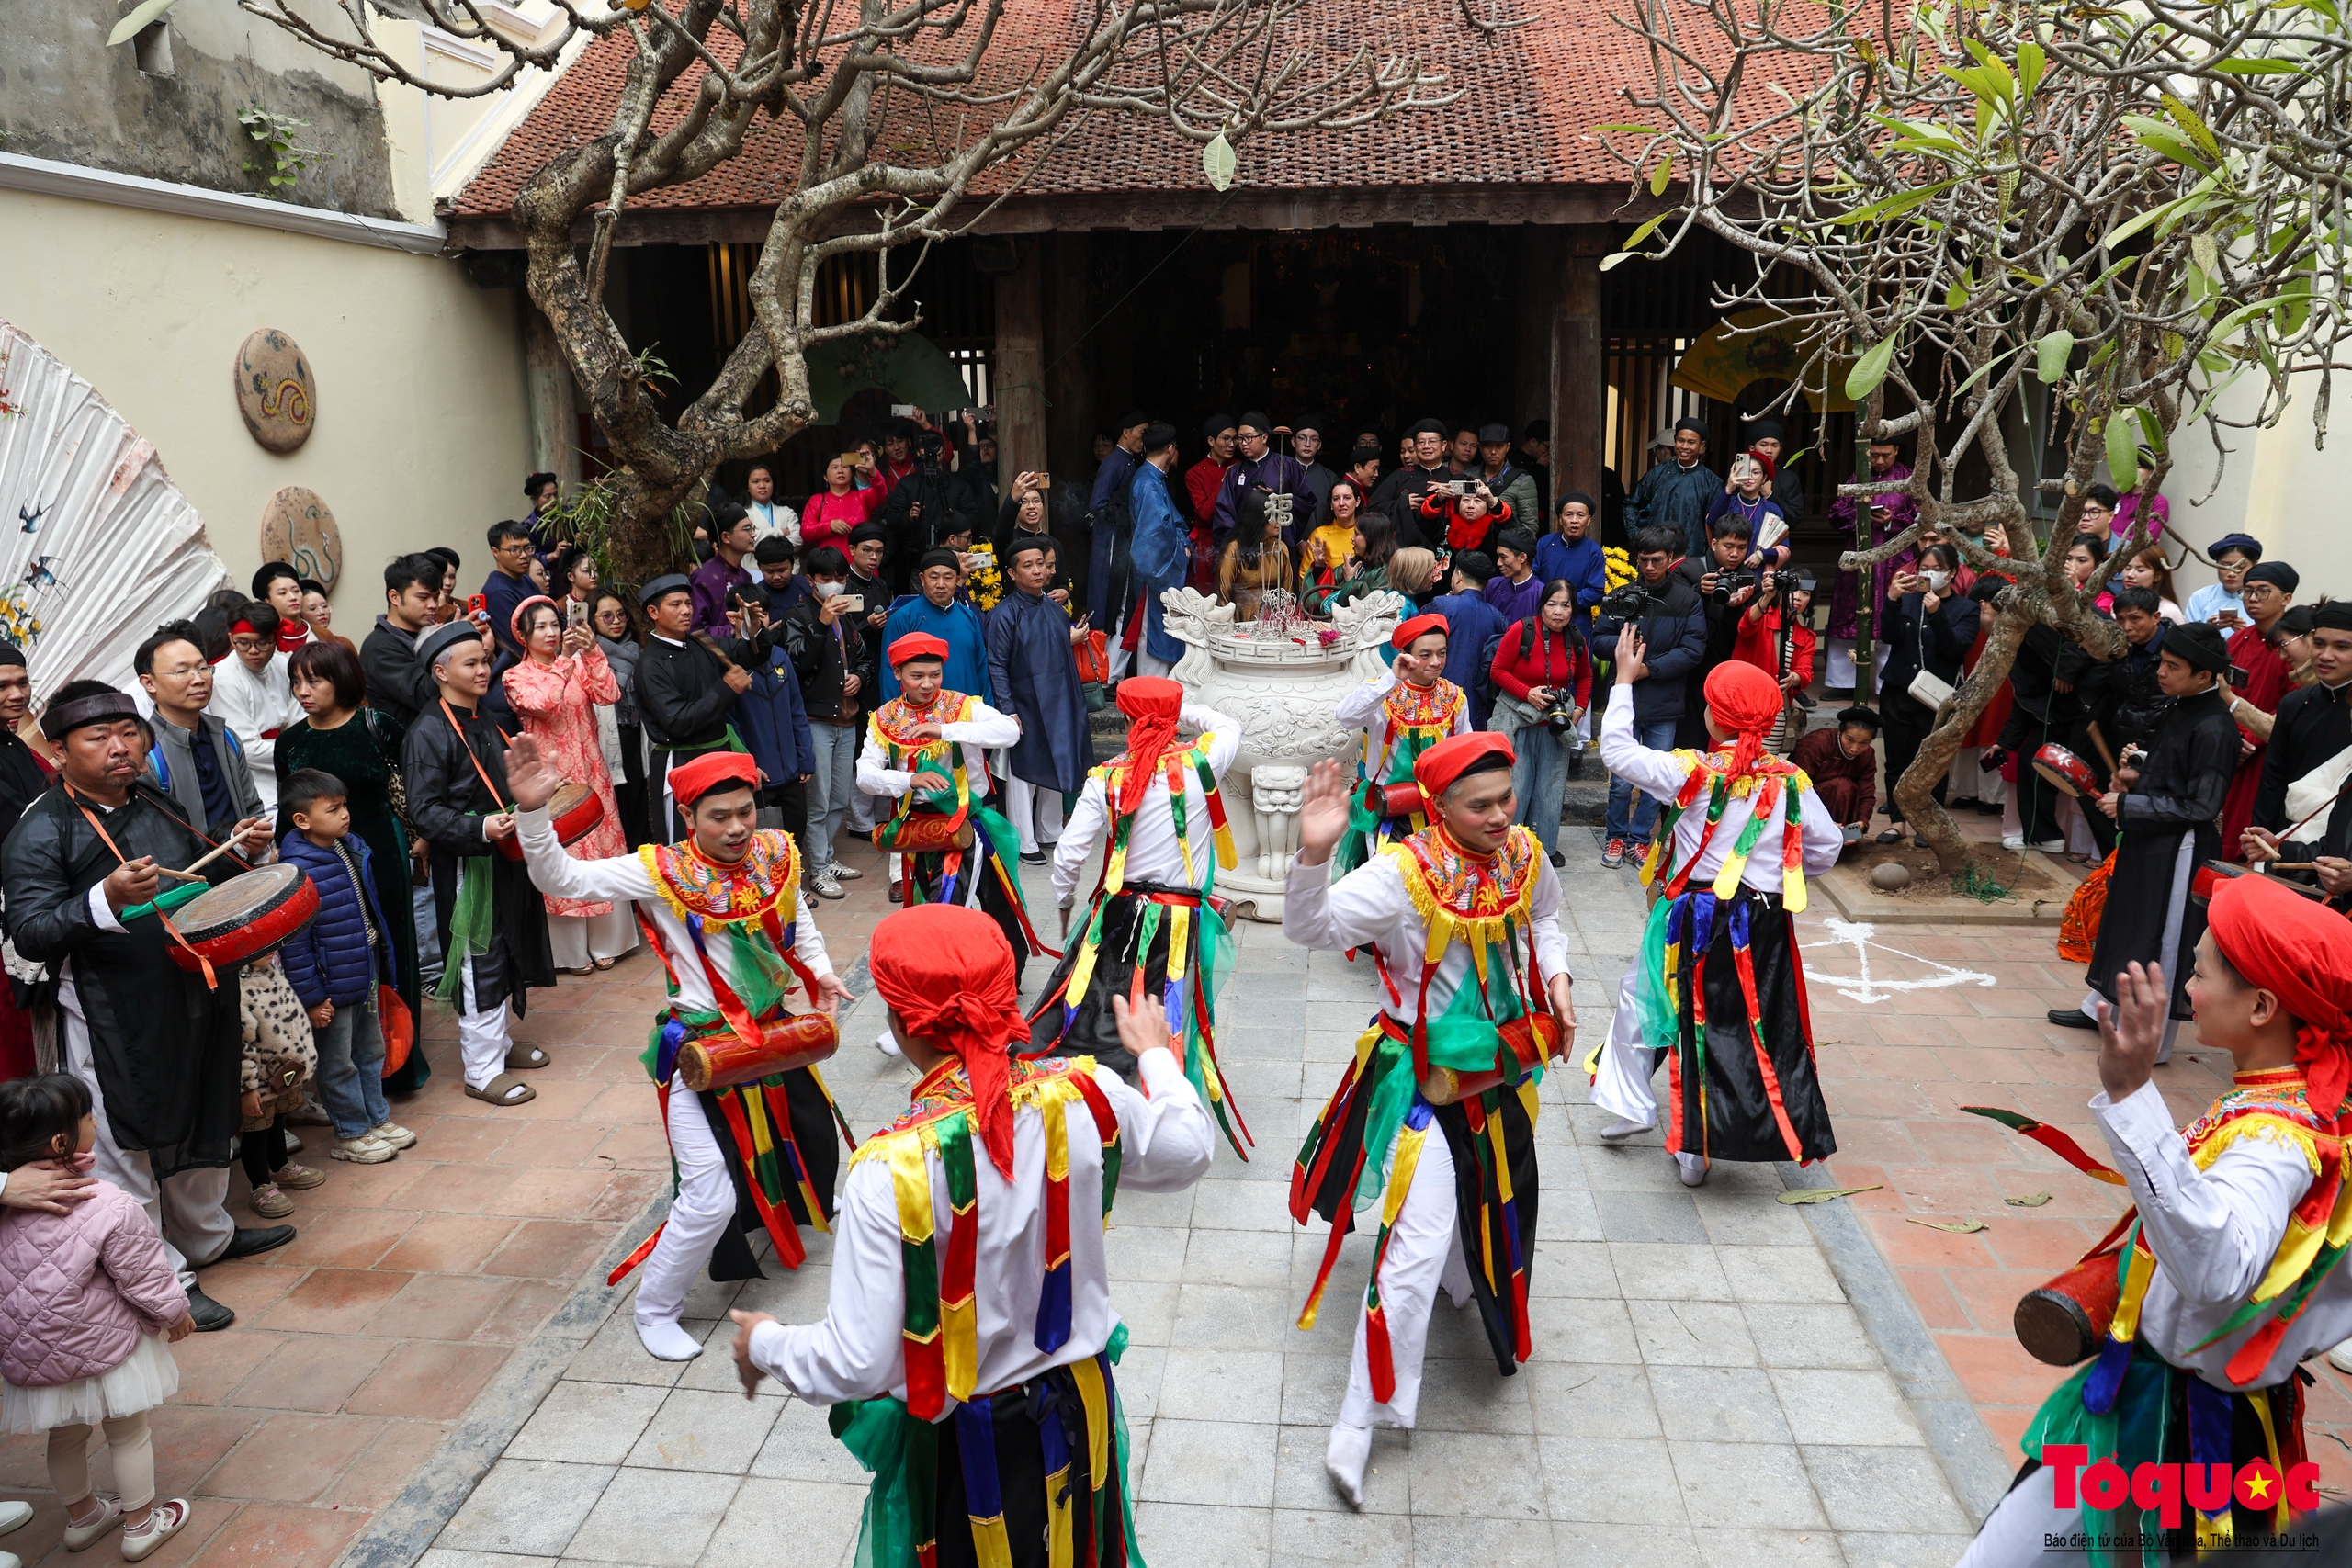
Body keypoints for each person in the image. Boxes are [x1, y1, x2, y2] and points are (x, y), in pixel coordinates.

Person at [726, 901, 1211, 1565]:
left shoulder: (887, 1170)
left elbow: (858, 1360)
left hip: (970, 1445)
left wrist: (766, 1342)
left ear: (899, 1022)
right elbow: (1187, 1150)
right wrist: (1156, 1058)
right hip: (1079, 1407)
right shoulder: (1087, 1093)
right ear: (1005, 997)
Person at [1955, 875, 2352, 1566]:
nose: (2187, 988)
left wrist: (2132, 1092)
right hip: (2165, 1400)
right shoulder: (2297, 1108)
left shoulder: (2281, 1143)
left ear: (2262, 1005)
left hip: (2187, 1426)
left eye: (2200, 971)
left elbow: (2213, 1268)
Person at [1284, 732, 1575, 1506]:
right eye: (1481, 805)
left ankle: (1463, 1280)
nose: (1502, 816)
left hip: (1503, 1069)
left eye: (1508, 798)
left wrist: (1559, 979)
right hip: (1422, 1082)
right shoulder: (1400, 875)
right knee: (1410, 1249)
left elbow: (1547, 916)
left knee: (1493, 1201)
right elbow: (1309, 931)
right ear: (1439, 805)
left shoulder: (1522, 854)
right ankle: (1358, 1418)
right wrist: (1313, 855)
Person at [507, 745, 854, 1364]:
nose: (738, 828)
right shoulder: (662, 870)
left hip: (769, 1039)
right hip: (702, 1050)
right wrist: (534, 814)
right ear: (690, 816)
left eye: (745, 811)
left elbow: (798, 913)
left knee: (806, 1137)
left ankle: (783, 1224)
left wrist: (822, 972)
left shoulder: (775, 853)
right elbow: (563, 879)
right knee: (710, 1193)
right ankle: (655, 1307)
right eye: (719, 817)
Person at [2, 682, 282, 1333]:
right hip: (111, 1008)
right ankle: (166, 1277)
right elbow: (31, 931)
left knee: (201, 1103)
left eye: (129, 732)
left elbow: (194, 874)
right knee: (126, 1135)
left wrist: (236, 847)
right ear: (58, 751)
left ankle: (207, 1235)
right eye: (98, 737)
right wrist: (102, 894)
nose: (120, 747)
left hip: (189, 984)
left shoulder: (152, 796)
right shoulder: (43, 827)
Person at [1591, 657, 1843, 1186]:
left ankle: (1657, 1122)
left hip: (1696, 916)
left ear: (1715, 718)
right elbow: (1825, 847)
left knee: (1654, 1002)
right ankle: (1690, 1139)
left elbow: (1615, 750)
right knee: (1739, 1024)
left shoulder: (1694, 771)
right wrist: (1776, 871)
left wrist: (1622, 681)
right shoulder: (1792, 780)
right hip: (1765, 923)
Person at [0, 1075, 197, 1562]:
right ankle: (141, 1526)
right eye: (88, 1116)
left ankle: (83, 1519)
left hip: (34, 1350)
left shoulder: (3, 1209)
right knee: (128, 1432)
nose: (95, 1121)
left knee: (64, 1435)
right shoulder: (108, 1204)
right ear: (63, 1141)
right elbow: (144, 1276)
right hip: (105, 1346)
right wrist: (176, 1313)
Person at [1031, 676, 1244, 1115]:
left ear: (1127, 719)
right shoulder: (1205, 759)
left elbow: (1069, 854)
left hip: (1118, 914)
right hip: (1180, 918)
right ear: (1173, 718)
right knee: (1167, 1007)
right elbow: (1227, 724)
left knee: (1098, 1004)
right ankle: (1160, 1101)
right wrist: (1176, 712)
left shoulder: (1107, 778)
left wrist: (1065, 898)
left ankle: (1086, 1096)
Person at [2042, 621, 2239, 1053]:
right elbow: (2173, 771)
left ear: (2205, 676)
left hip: (2178, 850)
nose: (2161, 672)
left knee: (2162, 938)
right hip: (2148, 839)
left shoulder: (2215, 727)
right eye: (2162, 663)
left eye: (2172, 666)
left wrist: (2129, 806)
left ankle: (2151, 1041)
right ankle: (2106, 1009)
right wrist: (2136, 773)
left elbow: (2201, 807)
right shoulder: (2180, 705)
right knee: (2128, 926)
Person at [401, 622, 556, 1109]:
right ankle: (481, 1070)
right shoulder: (428, 731)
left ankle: (500, 1046)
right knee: (479, 962)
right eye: (471, 663)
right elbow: (423, 810)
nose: (484, 669)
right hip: (470, 864)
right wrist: (480, 830)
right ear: (440, 671)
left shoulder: (480, 714)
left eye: (485, 660)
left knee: (507, 948)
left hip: (502, 853)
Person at [277, 640, 426, 1096]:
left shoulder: (377, 724)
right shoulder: (291, 741)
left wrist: (420, 835)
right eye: (296, 682)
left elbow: (410, 783)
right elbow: (290, 812)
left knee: (392, 947)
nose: (303, 690)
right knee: (336, 953)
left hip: (380, 848)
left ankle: (399, 1062)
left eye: (314, 680)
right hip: (320, 864)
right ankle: (345, 1071)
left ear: (341, 680)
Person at [272, 768, 411, 1167]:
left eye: (344, 805)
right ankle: (351, 1133)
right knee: (338, 1061)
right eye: (333, 809)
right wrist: (313, 999)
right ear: (302, 820)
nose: (345, 814)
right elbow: (296, 945)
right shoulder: (299, 869)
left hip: (362, 968)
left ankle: (376, 1119)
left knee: (370, 1048)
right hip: (332, 984)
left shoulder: (346, 846)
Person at [857, 631, 1031, 942]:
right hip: (921, 829)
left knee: (997, 906)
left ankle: (1005, 974)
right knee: (937, 907)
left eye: (935, 675)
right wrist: (909, 780)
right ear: (897, 674)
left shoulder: (960, 706)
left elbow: (1010, 731)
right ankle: (951, 973)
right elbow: (865, 776)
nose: (927, 684)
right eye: (917, 676)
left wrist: (945, 730)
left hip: (968, 823)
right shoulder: (886, 718)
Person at [503, 597, 635, 974]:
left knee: (601, 853)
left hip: (593, 772)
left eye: (554, 625)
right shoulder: (516, 677)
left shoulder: (574, 664)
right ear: (524, 636)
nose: (551, 633)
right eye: (541, 627)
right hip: (553, 781)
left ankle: (608, 942)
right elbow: (543, 704)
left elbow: (609, 694)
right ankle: (572, 953)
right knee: (567, 857)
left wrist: (591, 652)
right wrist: (564, 663)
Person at [1592, 527, 1710, 868]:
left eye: (1656, 560)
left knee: (1655, 777)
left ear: (1671, 559)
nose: (1649, 567)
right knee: (1620, 776)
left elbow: (1692, 649)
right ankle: (1615, 836)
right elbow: (1599, 638)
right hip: (1625, 698)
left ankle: (1640, 839)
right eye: (1643, 560)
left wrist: (1648, 669)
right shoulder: (1622, 593)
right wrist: (1622, 649)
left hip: (1664, 698)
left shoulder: (1687, 599)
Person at [1328, 614, 1472, 875]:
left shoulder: (1454, 696)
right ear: (1405, 655)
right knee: (1391, 883)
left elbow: (1464, 751)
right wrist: (1392, 678)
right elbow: (1345, 715)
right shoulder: (1384, 695)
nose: (1436, 662)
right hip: (1390, 809)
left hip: (1440, 811)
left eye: (1442, 653)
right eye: (1425, 655)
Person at [633, 574, 773, 836]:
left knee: (724, 836)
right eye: (675, 605)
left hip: (720, 755)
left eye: (688, 603)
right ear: (653, 612)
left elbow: (752, 655)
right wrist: (726, 688)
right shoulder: (650, 665)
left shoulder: (700, 642)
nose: (686, 610)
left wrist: (754, 628)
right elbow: (677, 722)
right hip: (683, 762)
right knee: (687, 843)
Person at [987, 538, 1095, 863]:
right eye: (1028, 565)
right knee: (1024, 772)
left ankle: (1050, 831)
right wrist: (1008, 710)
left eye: (1041, 564)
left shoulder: (1054, 608)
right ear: (1011, 572)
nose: (1037, 571)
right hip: (1025, 703)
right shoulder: (1004, 615)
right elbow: (997, 665)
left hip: (1061, 698)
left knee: (1058, 765)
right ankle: (1024, 840)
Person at [783, 547, 877, 899]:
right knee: (818, 801)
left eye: (840, 579)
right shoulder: (798, 615)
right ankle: (818, 870)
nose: (835, 585)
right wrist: (821, 624)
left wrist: (860, 678)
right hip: (816, 720)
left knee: (839, 798)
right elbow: (798, 663)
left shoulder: (849, 617)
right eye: (826, 579)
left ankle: (828, 858)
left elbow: (865, 659)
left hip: (847, 718)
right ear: (811, 581)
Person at [1876, 544, 1979, 844]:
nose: (1929, 574)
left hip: (1936, 698)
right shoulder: (1909, 601)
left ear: (1951, 573)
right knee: (1897, 759)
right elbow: (1889, 636)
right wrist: (1893, 600)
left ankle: (1928, 824)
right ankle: (1897, 822)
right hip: (1898, 690)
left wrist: (1937, 614)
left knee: (1932, 762)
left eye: (1936, 569)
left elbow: (1956, 648)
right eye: (1924, 567)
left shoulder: (1966, 609)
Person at [1487, 581, 1590, 866]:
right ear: (1542, 605)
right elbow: (1497, 670)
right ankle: (1507, 847)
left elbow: (1585, 677)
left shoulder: (1576, 639)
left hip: (1554, 726)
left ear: (1573, 609)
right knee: (1515, 785)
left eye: (1565, 605)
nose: (1558, 612)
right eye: (1552, 604)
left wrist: (1579, 708)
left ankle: (1544, 849)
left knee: (1551, 788)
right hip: (1517, 720)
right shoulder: (1522, 630)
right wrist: (1527, 693)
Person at [2243, 601, 2352, 863]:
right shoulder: (2294, 704)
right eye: (2319, 644)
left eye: (2342, 647)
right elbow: (2274, 777)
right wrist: (2263, 838)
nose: (2326, 655)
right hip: (2288, 839)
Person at [135, 626, 262, 842]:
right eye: (182, 671)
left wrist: (262, 846)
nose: (198, 679)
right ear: (149, 683)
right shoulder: (146, 755)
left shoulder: (226, 737)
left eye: (203, 668)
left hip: (246, 865)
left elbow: (252, 808)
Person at [1824, 437, 1918, 693]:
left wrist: (1891, 521)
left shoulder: (1909, 479)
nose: (1878, 460)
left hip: (1895, 561)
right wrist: (1862, 515)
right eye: (1874, 455)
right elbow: (1835, 514)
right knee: (1848, 620)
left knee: (1893, 621)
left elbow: (1921, 517)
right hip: (1858, 561)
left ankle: (1886, 686)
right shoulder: (1857, 478)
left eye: (1885, 455)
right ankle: (1841, 683)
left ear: (1896, 451)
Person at [2221, 560, 2299, 861]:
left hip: (2265, 751)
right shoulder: (2238, 640)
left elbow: (2292, 705)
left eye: (2263, 591)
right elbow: (2222, 693)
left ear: (2286, 598)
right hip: (2230, 746)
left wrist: (2251, 739)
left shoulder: (2291, 649)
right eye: (2247, 592)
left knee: (2249, 833)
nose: (2253, 599)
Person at [1670, 513, 1769, 749]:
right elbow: (1673, 612)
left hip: (1727, 668)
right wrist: (1699, 591)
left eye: (1741, 547)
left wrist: (1735, 608)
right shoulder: (1690, 570)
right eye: (1728, 546)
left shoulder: (1751, 581)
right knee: (1687, 738)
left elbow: (1744, 632)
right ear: (1714, 543)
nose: (1734, 553)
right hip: (1688, 667)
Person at [209, 602, 297, 812]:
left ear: (275, 639)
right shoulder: (223, 678)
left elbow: (299, 717)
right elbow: (247, 748)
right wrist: (300, 749)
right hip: (257, 783)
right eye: (243, 643)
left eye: (263, 643)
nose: (253, 651)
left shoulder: (284, 665)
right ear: (231, 639)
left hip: (295, 767)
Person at [590, 590, 653, 849]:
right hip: (604, 741)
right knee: (614, 807)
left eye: (620, 614)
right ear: (592, 620)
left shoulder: (636, 651)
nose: (616, 621)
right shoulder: (586, 654)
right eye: (606, 616)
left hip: (634, 735)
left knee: (638, 805)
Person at [1084, 410, 1148, 662]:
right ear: (1126, 432)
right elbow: (1097, 505)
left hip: (1121, 541)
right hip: (1110, 542)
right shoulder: (1113, 462)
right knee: (1110, 603)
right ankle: (1101, 669)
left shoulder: (1129, 461)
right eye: (1142, 432)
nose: (1144, 438)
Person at [1128, 423, 1192, 678]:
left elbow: (1171, 523)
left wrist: (1182, 543)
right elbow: (1152, 540)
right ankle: (1149, 711)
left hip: (1161, 570)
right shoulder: (1148, 483)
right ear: (1170, 449)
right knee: (1154, 643)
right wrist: (1180, 553)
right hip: (1156, 577)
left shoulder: (1153, 479)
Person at [361, 553, 446, 730]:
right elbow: (428, 696)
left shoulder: (428, 633)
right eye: (423, 598)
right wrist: (452, 648)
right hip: (408, 752)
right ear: (394, 597)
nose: (433, 605)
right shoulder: (380, 647)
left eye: (436, 597)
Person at [1211, 411, 1317, 550]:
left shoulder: (1287, 465)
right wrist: (1237, 541)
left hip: (1279, 545)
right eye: (1240, 438)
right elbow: (1224, 511)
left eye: (1249, 438)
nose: (1243, 443)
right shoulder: (1234, 472)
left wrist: (1279, 500)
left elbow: (1307, 501)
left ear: (1264, 437)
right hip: (1245, 546)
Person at [1428, 552, 1509, 728]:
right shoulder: (1498, 617)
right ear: (1487, 584)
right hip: (1479, 708)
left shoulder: (1442, 605)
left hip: (1438, 701)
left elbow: (1414, 632)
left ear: (1458, 576)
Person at [1626, 417, 1723, 560]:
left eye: (1691, 442)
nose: (1684, 446)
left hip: (1693, 559)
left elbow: (1716, 524)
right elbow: (1630, 504)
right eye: (1680, 440)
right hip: (1655, 556)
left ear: (1702, 446)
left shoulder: (1711, 482)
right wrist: (1637, 537)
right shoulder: (1657, 474)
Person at [1790, 708, 1881, 844]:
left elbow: (1866, 793)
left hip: (1841, 808)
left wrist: (1861, 822)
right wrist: (1824, 822)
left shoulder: (1867, 756)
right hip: (1807, 805)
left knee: (1846, 788)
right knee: (1840, 786)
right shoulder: (1817, 743)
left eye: (1864, 743)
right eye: (1849, 740)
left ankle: (1841, 841)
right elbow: (1796, 787)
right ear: (1840, 732)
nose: (1855, 749)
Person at [1532, 491, 1608, 641]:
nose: (1574, 520)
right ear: (1560, 519)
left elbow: (1596, 590)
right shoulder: (1545, 543)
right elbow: (1532, 577)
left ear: (1588, 520)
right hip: (1544, 615)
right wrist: (1550, 601)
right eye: (1569, 515)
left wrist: (1566, 602)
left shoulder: (1593, 551)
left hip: (1577, 619)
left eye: (1580, 515)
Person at [1367, 419, 1454, 543]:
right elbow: (1372, 510)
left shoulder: (1456, 478)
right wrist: (1403, 504)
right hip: (1404, 554)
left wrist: (1451, 494)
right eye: (1421, 442)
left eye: (1432, 441)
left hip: (1445, 553)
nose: (1426, 446)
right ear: (1415, 446)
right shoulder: (1399, 476)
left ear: (1444, 445)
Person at [1215, 491, 1295, 623]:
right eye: (1273, 516)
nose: (1279, 521)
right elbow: (1223, 595)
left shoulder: (1280, 548)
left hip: (1274, 622)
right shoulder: (1234, 549)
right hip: (1242, 621)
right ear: (1258, 518)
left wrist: (1286, 622)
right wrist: (1228, 627)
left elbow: (1287, 595)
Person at [1303, 511, 1399, 615]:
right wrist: (1319, 566)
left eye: (1357, 534)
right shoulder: (1354, 563)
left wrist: (1352, 582)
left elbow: (1374, 609)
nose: (1352, 538)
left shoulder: (1386, 571)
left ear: (1371, 537)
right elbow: (1325, 589)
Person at [690, 507, 759, 634]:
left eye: (752, 528)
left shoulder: (745, 576)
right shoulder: (704, 577)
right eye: (746, 528)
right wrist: (737, 630)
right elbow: (697, 630)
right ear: (726, 537)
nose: (753, 534)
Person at [478, 522, 538, 659]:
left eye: (527, 548)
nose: (523, 555)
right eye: (514, 550)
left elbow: (555, 615)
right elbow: (518, 643)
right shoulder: (497, 593)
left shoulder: (526, 580)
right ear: (495, 552)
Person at [1416, 478, 1510, 559]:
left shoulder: (1495, 528)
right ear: (1458, 504)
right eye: (1466, 500)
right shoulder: (1446, 527)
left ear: (1487, 506)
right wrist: (1438, 499)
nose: (1471, 505)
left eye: (1477, 501)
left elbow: (1512, 528)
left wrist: (1493, 501)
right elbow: (1424, 520)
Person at [801, 455, 882, 549]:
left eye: (844, 467)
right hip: (828, 561)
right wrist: (829, 526)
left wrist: (872, 470)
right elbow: (805, 533)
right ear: (825, 477)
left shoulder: (863, 497)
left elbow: (881, 493)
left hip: (858, 561)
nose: (840, 471)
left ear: (851, 474)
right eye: (834, 467)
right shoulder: (816, 500)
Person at [2184, 532, 2262, 627]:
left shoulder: (2262, 599)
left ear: (2254, 566)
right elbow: (2187, 637)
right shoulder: (2200, 597)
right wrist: (2208, 630)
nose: (2231, 573)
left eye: (2240, 567)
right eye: (2225, 566)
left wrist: (2245, 636)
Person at [1743, 418, 1807, 521]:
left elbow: (1794, 519)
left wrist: (1769, 495)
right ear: (1752, 448)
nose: (1769, 450)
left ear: (1780, 449)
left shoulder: (1789, 478)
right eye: (1763, 445)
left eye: (1774, 445)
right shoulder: (1739, 475)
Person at [1484, 529, 1544, 625]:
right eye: (1498, 557)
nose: (1499, 563)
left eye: (1504, 557)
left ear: (1522, 557)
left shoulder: (1542, 594)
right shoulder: (1492, 586)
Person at [251, 563, 311, 654]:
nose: (293, 597)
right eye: (282, 593)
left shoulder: (321, 634)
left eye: (296, 591)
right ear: (268, 601)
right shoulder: (264, 638)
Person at [2118, 542, 2185, 624]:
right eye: (2127, 568)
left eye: (2140, 570)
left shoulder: (2170, 611)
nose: (2130, 575)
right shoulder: (2116, 604)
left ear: (2158, 575)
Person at [1293, 413, 1338, 529]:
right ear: (1293, 442)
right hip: (1287, 544)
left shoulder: (1330, 478)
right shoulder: (1281, 473)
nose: (1307, 444)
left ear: (1319, 445)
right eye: (1302, 438)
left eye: (1314, 439)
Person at [741, 461, 797, 544]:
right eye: (756, 482)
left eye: (767, 481)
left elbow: (798, 540)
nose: (762, 486)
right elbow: (746, 539)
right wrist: (781, 532)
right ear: (747, 488)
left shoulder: (787, 512)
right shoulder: (742, 514)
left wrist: (760, 536)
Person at [296, 580, 352, 654]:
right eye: (312, 609)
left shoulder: (344, 644)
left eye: (324, 606)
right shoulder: (299, 648)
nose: (321, 612)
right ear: (299, 614)